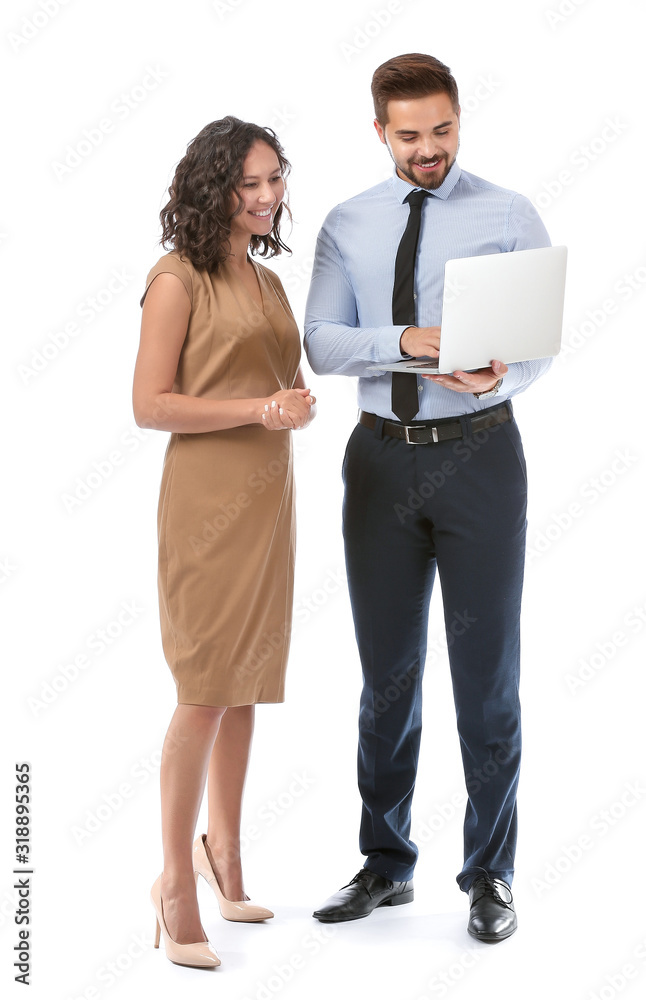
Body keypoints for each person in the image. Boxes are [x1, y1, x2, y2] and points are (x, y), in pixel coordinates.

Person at [304, 53, 552, 943]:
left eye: (442, 130)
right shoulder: (349, 223)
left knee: (488, 684)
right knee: (386, 680)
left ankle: (490, 874)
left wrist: (500, 373)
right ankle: (385, 862)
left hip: (483, 455)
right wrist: (410, 339)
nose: (429, 150)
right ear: (380, 132)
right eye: (409, 135)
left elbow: (538, 345)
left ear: (458, 119)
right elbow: (324, 345)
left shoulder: (508, 213)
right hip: (379, 463)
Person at [132, 117, 315, 969]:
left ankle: (225, 856)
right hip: (205, 502)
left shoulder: (268, 280)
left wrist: (292, 402)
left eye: (275, 179)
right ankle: (174, 882)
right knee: (204, 687)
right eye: (250, 184)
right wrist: (258, 409)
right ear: (214, 188)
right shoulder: (177, 278)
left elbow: (278, 381)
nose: (268, 196)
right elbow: (151, 404)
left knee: (245, 687)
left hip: (268, 500)